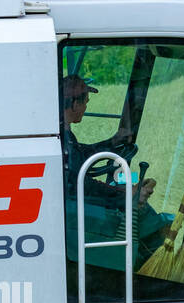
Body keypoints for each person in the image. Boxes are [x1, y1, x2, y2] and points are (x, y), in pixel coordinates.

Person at [61, 74, 156, 206]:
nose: (86, 108)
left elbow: (81, 155)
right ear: (75, 104)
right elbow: (84, 185)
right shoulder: (63, 138)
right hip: (76, 205)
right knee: (142, 214)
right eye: (86, 103)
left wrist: (113, 142)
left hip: (74, 201)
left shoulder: (63, 135)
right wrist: (126, 193)